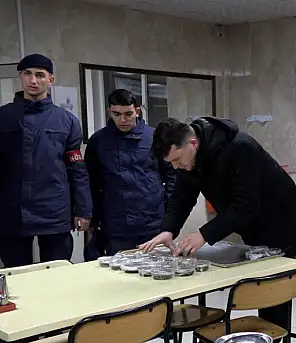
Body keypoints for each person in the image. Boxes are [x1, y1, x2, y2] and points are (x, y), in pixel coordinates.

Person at [140, 116, 296, 337]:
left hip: (282, 218)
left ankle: (273, 342)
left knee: (272, 285)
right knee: (260, 280)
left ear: (193, 143)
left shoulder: (239, 148)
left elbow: (246, 205)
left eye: (177, 159)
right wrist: (168, 230)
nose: (176, 166)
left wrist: (203, 234)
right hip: (253, 223)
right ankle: (263, 337)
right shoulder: (190, 160)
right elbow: (182, 197)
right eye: (171, 163)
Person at [0, 54, 92, 267]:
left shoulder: (66, 121)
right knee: (16, 276)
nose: (33, 80)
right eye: (28, 74)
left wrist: (84, 210)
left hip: (54, 211)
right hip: (11, 211)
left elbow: (77, 169)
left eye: (40, 75)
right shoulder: (3, 117)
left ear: (51, 80)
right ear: (20, 76)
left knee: (57, 274)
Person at [84, 89, 176, 256]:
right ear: (109, 112)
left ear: (137, 111)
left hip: (153, 223)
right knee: (118, 270)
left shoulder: (154, 138)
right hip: (116, 225)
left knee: (158, 268)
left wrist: (170, 214)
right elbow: (91, 182)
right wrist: (93, 217)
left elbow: (173, 176)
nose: (123, 120)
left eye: (128, 114)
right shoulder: (98, 141)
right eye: (117, 114)